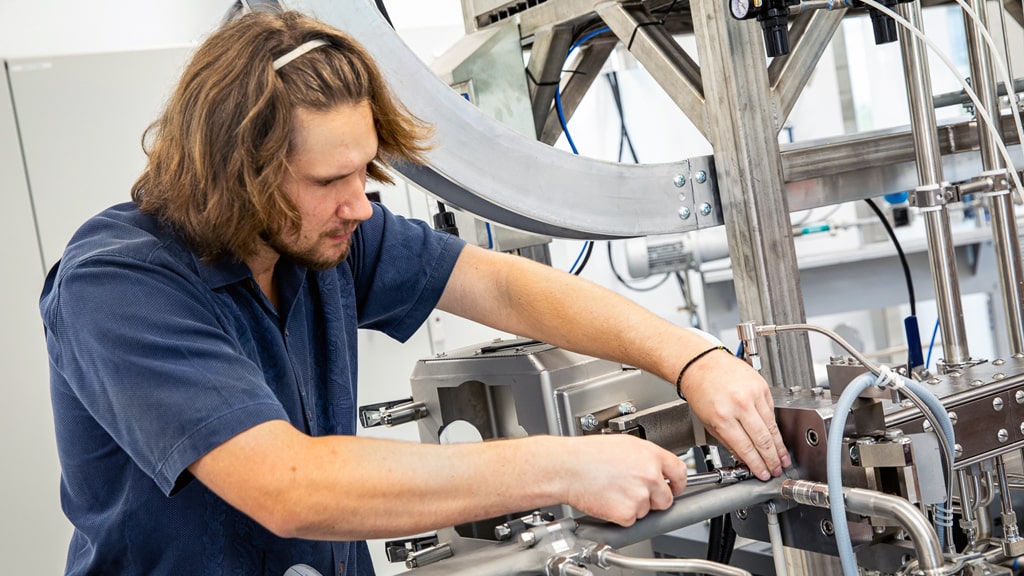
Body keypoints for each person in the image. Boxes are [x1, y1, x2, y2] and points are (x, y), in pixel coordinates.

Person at [39, 8, 790, 576]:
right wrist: (565, 466)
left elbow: (500, 284)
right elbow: (289, 486)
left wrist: (693, 358)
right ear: (238, 174)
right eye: (330, 180)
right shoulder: (118, 283)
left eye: (365, 171)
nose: (361, 204)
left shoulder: (321, 236)